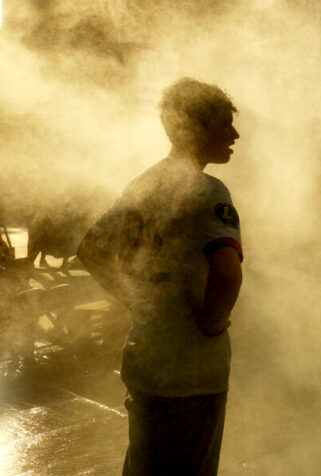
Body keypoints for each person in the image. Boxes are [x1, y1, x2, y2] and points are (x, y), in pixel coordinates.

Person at [77, 77, 243, 475]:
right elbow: (228, 273)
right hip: (193, 373)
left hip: (146, 358)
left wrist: (133, 301)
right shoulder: (208, 192)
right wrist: (212, 321)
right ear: (198, 127)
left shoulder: (144, 184)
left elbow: (92, 249)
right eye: (225, 123)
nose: (235, 134)